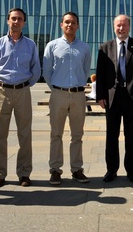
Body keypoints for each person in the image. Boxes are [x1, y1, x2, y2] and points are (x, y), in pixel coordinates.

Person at [0, 7, 41, 188]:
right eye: (13, 18)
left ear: (24, 23)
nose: (16, 22)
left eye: (20, 19)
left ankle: (24, 173)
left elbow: (36, 70)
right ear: (7, 21)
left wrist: (24, 86)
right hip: (2, 90)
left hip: (23, 91)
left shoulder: (31, 45)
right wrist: (3, 83)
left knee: (24, 134)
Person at [96, 14, 133, 183]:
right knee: (111, 136)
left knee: (132, 136)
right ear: (114, 27)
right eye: (118, 25)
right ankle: (111, 170)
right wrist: (101, 96)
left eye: (124, 25)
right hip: (112, 98)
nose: (121, 28)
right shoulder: (105, 48)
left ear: (129, 27)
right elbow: (101, 75)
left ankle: (131, 171)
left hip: (132, 98)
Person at [42, 11, 91, 185]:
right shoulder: (52, 46)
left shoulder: (84, 47)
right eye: (67, 22)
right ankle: (55, 169)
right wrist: (56, 88)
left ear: (77, 26)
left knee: (77, 135)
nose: (70, 25)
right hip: (58, 94)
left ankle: (77, 169)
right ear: (61, 25)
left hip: (78, 95)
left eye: (73, 22)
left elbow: (86, 71)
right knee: (56, 134)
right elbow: (46, 71)